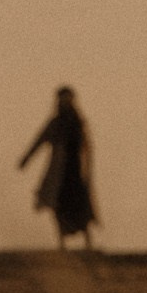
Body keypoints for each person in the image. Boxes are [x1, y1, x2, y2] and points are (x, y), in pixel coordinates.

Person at [18, 85, 96, 249]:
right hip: (59, 172)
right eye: (63, 98)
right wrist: (26, 158)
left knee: (80, 204)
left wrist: (88, 167)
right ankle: (62, 243)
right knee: (59, 207)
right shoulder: (56, 123)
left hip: (76, 170)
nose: (65, 102)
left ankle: (88, 243)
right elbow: (40, 140)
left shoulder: (78, 122)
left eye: (68, 98)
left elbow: (87, 146)